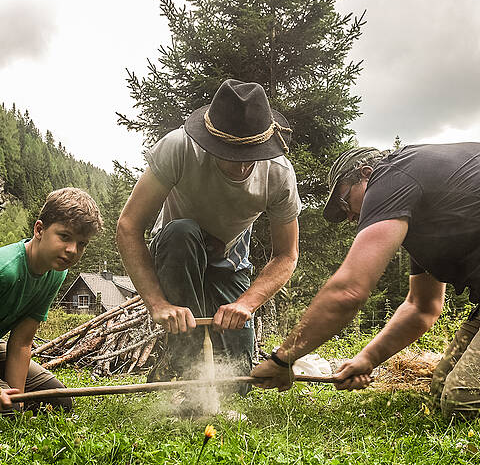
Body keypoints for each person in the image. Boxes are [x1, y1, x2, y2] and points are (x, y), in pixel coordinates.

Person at [251, 143, 480, 418]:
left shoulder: (391, 175)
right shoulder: (427, 215)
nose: (349, 217)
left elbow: (349, 291)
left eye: (345, 202)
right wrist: (367, 358)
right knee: (442, 388)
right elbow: (423, 306)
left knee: (462, 400)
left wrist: (282, 359)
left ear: (366, 174)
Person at [117, 79, 301, 393]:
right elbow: (129, 226)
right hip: (177, 251)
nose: (244, 165)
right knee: (182, 232)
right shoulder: (178, 147)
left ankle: (209, 371)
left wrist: (246, 303)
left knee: (237, 385)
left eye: (252, 153)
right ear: (209, 142)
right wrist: (158, 303)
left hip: (230, 262)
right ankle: (185, 372)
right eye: (232, 153)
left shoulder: (279, 173)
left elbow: (287, 255)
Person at [0, 187, 103, 414]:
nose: (72, 250)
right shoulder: (5, 270)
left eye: (82, 244)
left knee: (58, 401)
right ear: (39, 229)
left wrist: (18, 402)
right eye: (64, 237)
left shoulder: (56, 273)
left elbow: (21, 343)